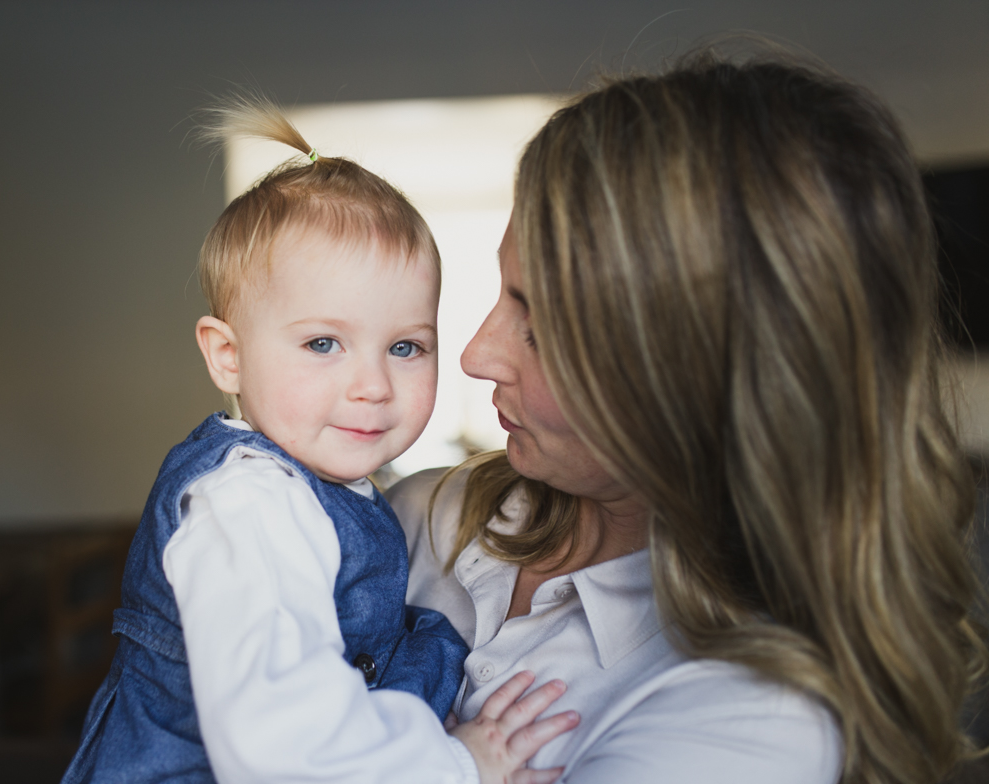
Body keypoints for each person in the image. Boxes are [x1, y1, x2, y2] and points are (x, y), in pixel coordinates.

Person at [390, 49, 988, 784]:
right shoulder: (428, 514)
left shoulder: (750, 727)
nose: (476, 355)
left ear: (696, 388)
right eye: (503, 292)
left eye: (540, 330)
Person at [62, 99, 579, 784]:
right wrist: (458, 765)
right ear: (228, 356)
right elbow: (281, 740)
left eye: (404, 346)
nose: (372, 385)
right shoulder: (250, 504)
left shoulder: (330, 495)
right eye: (323, 343)